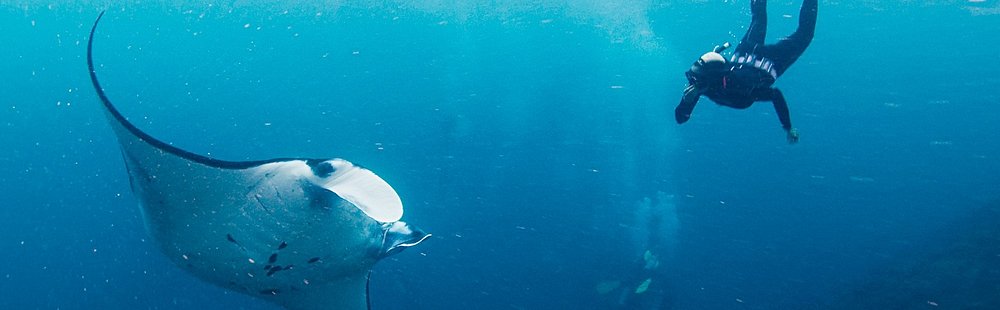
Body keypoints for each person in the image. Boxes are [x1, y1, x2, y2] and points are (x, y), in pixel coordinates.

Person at [675, 0, 817, 144]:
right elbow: (680, 118)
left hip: (770, 62)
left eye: (698, 79)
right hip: (745, 51)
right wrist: (687, 101)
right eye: (695, 78)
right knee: (759, 18)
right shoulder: (702, 82)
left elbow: (775, 94)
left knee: (803, 34)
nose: (693, 83)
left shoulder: (738, 85)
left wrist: (788, 127)